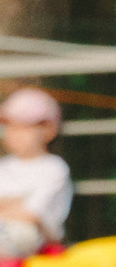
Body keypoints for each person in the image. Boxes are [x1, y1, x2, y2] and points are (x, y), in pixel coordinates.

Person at [0, 85, 74, 258]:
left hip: (38, 245)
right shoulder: (4, 166)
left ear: (49, 130)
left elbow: (32, 214)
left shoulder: (54, 168)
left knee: (21, 233)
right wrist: (18, 203)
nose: (15, 133)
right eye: (11, 126)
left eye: (25, 127)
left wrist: (9, 205)